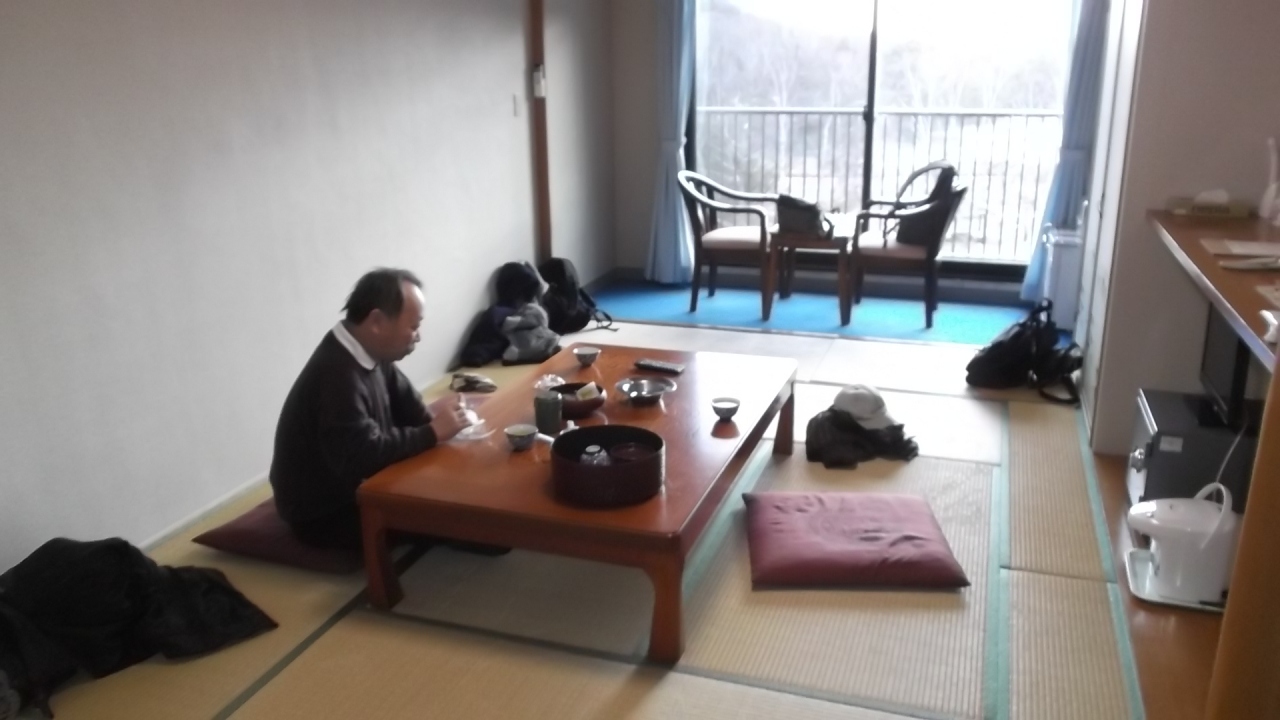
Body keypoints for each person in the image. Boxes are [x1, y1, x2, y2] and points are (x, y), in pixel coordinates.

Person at [269, 268, 471, 550]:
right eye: (413, 327)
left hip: (358, 483)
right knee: (459, 517)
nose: (418, 336)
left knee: (457, 487)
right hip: (324, 511)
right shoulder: (336, 374)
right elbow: (362, 456)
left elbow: (409, 405)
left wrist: (442, 424)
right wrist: (433, 433)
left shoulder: (371, 350)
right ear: (377, 321)